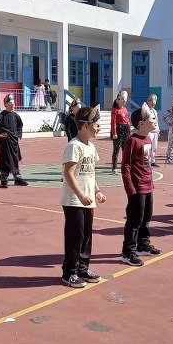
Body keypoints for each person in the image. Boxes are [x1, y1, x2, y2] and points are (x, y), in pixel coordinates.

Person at [60, 105, 107, 288]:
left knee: (86, 237)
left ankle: (82, 268)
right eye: (96, 125)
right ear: (86, 125)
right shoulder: (74, 146)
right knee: (75, 237)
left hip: (88, 200)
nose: (99, 128)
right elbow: (69, 173)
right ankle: (69, 273)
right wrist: (80, 195)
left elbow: (91, 174)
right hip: (74, 201)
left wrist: (97, 191)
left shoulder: (91, 147)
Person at [121, 103, 162, 267]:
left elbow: (146, 164)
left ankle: (143, 244)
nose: (155, 121)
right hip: (137, 188)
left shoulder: (148, 139)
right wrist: (130, 189)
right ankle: (128, 252)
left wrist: (150, 183)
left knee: (146, 217)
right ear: (141, 123)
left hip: (147, 186)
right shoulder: (133, 141)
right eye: (152, 119)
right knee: (134, 220)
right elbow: (126, 166)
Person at [0, 94, 27, 188]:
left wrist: (18, 134)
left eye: (13, 104)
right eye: (10, 104)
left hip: (14, 142)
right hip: (5, 142)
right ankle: (4, 178)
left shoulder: (16, 116)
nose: (12, 105)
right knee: (5, 159)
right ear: (5, 104)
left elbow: (20, 125)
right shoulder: (1, 116)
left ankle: (17, 178)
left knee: (15, 159)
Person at [110, 91, 130, 174]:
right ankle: (114, 167)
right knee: (116, 149)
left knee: (125, 149)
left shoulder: (125, 109)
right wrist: (114, 133)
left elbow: (127, 120)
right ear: (119, 100)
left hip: (125, 130)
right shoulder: (115, 110)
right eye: (123, 101)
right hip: (118, 129)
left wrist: (129, 130)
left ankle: (125, 166)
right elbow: (113, 122)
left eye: (125, 101)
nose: (124, 103)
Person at [144, 94, 161, 167]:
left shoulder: (154, 111)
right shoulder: (146, 110)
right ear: (149, 101)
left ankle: (152, 161)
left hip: (155, 131)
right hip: (149, 131)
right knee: (148, 147)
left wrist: (158, 130)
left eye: (155, 102)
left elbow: (156, 121)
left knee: (154, 147)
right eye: (152, 102)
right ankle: (147, 161)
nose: (154, 104)